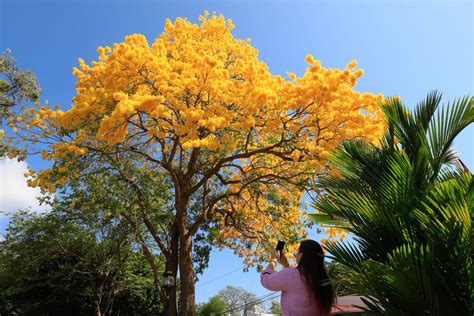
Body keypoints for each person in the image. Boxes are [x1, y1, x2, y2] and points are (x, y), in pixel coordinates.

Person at [260, 239, 334, 316]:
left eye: (298, 251)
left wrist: (273, 260)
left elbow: (266, 280)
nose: (296, 254)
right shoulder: (324, 281)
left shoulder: (291, 274)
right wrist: (286, 265)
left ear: (302, 254)